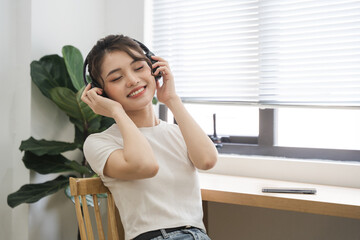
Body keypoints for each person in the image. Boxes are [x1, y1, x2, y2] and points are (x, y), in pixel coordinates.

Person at [81, 34, 218, 240]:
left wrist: (171, 99)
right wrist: (117, 112)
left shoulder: (177, 132)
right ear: (101, 93)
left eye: (139, 68)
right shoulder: (99, 143)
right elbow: (145, 166)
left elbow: (207, 160)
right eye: (117, 78)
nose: (133, 80)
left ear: (155, 70)